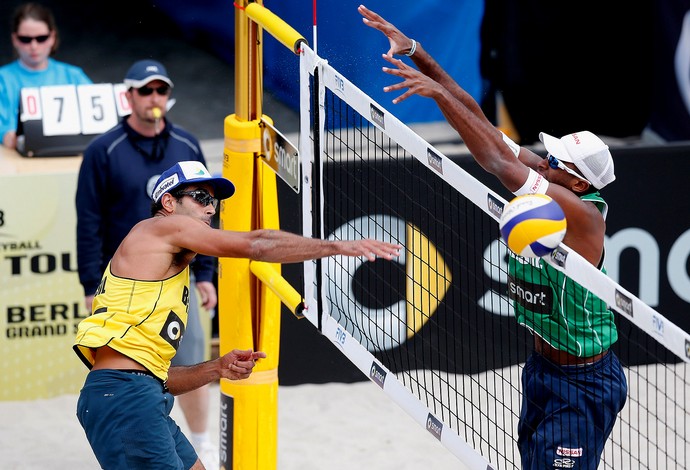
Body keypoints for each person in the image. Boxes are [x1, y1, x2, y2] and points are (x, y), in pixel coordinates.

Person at [358, 5, 627, 469]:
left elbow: (496, 163)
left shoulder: (581, 216)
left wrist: (436, 95)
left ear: (580, 183)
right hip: (544, 369)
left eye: (557, 161)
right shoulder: (556, 179)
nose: (545, 160)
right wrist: (421, 56)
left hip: (585, 382)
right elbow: (485, 126)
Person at [73, 160, 401, 469]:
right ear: (169, 202)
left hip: (137, 397)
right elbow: (257, 244)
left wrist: (217, 367)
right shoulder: (161, 228)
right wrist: (335, 247)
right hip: (124, 399)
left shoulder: (160, 276)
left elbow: (157, 378)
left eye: (215, 202)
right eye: (201, 197)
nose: (211, 208)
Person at [75, 59, 220, 467]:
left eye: (161, 89)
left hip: (177, 284)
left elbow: (209, 227)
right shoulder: (105, 149)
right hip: (129, 287)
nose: (154, 98)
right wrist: (92, 284)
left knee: (181, 362)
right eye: (146, 90)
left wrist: (206, 275)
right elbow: (88, 219)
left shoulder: (187, 146)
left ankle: (202, 438)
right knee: (136, 370)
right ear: (130, 95)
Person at [0, 2, 92, 149]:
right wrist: (5, 135)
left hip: (69, 155)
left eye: (41, 38)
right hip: (17, 163)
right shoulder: (2, 80)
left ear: (52, 37)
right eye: (26, 39)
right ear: (15, 39)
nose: (34, 46)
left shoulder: (74, 76)